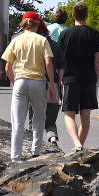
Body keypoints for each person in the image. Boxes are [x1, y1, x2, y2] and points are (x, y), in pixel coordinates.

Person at [1, 12, 57, 163]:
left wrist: (14, 82)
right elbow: (48, 63)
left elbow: (7, 67)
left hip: (20, 81)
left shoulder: (16, 40)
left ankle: (15, 156)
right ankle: (35, 150)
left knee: (18, 121)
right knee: (39, 117)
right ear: (37, 24)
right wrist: (51, 84)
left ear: (23, 23)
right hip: (38, 81)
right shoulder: (42, 40)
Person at [58, 2, 99, 152]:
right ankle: (79, 146)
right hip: (89, 79)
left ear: (72, 15)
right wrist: (95, 77)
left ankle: (77, 144)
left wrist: (59, 78)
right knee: (86, 116)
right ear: (87, 15)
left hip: (70, 79)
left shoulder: (65, 34)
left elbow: (61, 59)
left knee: (69, 114)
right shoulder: (94, 34)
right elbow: (98, 59)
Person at [27, 16, 65, 150]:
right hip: (52, 85)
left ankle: (32, 144)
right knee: (50, 121)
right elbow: (61, 68)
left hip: (36, 84)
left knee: (34, 119)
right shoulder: (56, 46)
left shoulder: (34, 45)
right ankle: (53, 139)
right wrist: (59, 83)